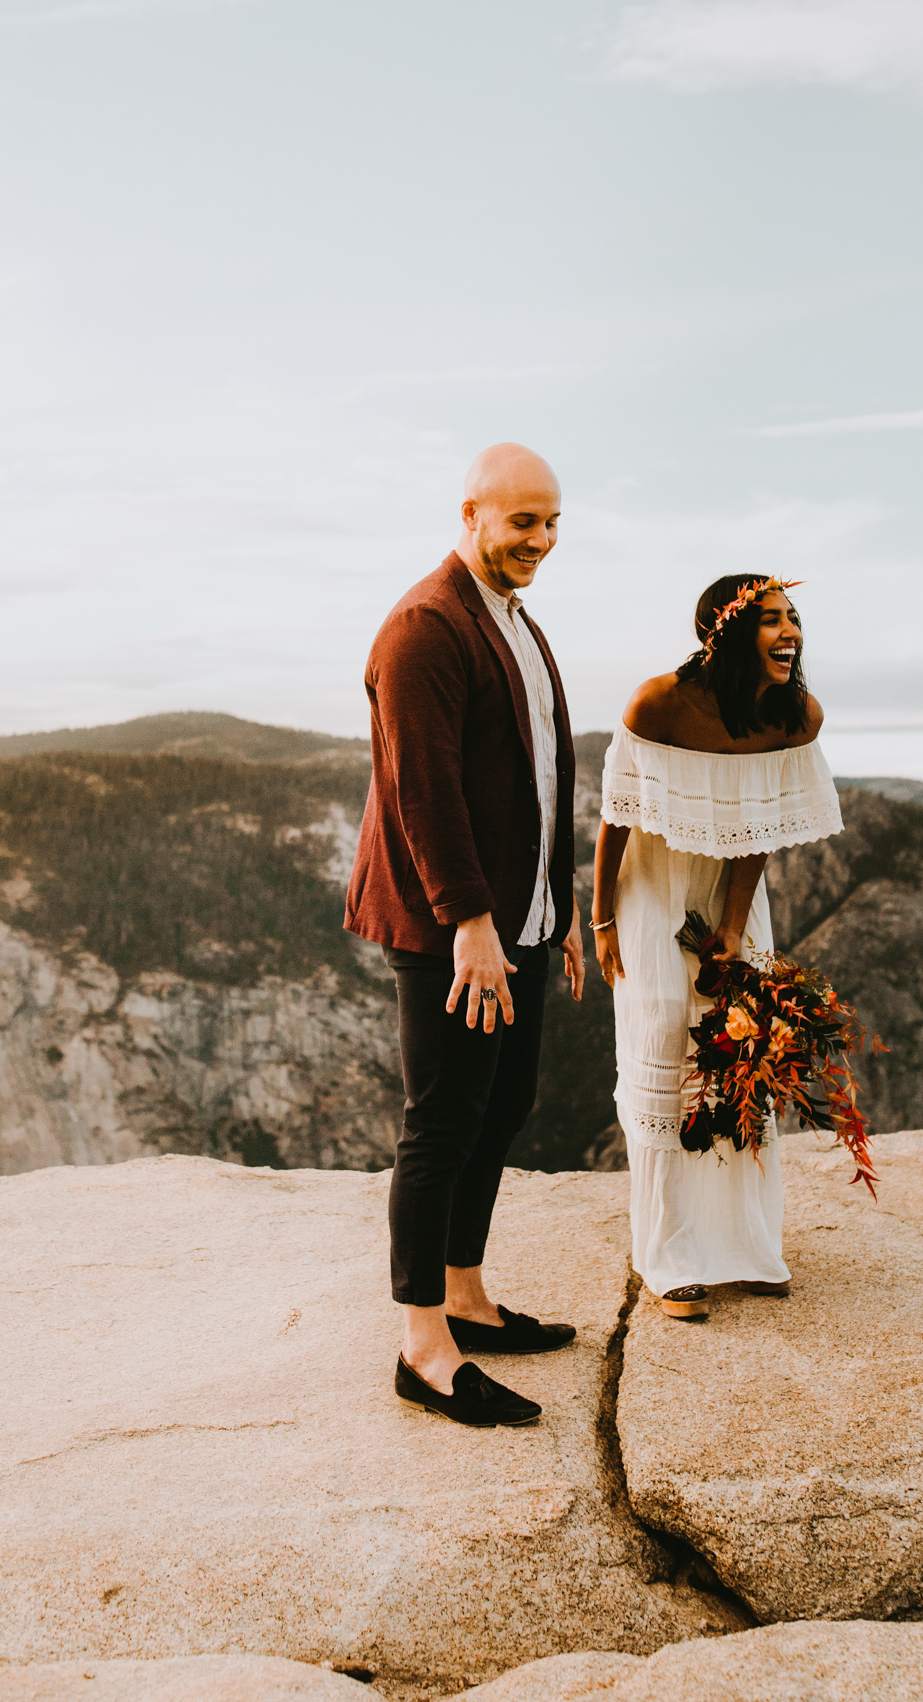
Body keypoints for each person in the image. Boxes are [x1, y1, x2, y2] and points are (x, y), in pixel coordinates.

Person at [345, 442, 586, 1427]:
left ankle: (468, 1293)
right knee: (442, 1119)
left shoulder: (517, 623)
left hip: (515, 915)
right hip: (452, 922)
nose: (540, 539)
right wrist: (472, 923)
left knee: (505, 1101)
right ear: (472, 511)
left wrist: (556, 911)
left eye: (553, 522)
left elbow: (538, 779)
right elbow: (423, 789)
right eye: (523, 520)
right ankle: (423, 1344)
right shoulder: (424, 626)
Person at [591, 575, 843, 1321]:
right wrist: (602, 919)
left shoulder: (795, 715)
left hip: (730, 890)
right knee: (666, 1044)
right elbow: (614, 819)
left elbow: (754, 832)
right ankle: (667, 1257)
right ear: (725, 631)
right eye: (770, 619)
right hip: (652, 883)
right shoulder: (657, 702)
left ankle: (743, 1248)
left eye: (793, 617)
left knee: (741, 1053)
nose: (789, 630)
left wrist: (733, 927)